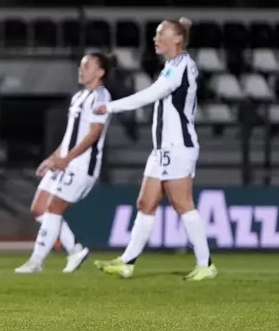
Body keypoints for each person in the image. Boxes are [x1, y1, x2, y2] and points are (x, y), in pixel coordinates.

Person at [93, 17, 217, 281]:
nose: (155, 38)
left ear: (177, 39)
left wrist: (111, 106)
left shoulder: (181, 66)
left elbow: (151, 94)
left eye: (161, 34)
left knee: (182, 203)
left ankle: (206, 264)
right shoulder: (173, 65)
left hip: (178, 146)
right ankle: (127, 262)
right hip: (162, 149)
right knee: (145, 202)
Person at [14, 52, 114, 274]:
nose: (81, 70)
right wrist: (54, 157)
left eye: (86, 66)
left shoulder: (101, 97)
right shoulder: (79, 97)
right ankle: (75, 250)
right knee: (39, 208)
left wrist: (67, 159)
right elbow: (72, 136)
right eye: (81, 66)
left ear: (100, 72)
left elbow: (93, 134)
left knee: (53, 208)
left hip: (82, 165)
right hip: (66, 161)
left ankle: (36, 261)